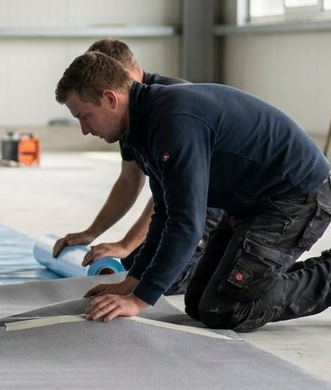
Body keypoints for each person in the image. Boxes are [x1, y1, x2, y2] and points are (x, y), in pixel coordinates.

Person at [54, 51, 331, 332]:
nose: (84, 129)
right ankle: (277, 277)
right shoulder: (136, 130)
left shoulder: (172, 122)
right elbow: (166, 211)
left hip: (297, 196)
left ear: (110, 99)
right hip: (252, 203)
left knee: (226, 309)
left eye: (85, 116)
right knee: (199, 301)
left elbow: (187, 221)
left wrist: (139, 300)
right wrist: (135, 280)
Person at [52, 38, 220, 294]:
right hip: (180, 202)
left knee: (167, 278)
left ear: (121, 80)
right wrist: (92, 232)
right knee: (133, 266)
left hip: (211, 201)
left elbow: (174, 194)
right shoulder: (127, 115)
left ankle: (227, 256)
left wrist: (127, 243)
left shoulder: (168, 107)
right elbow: (130, 179)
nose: (85, 129)